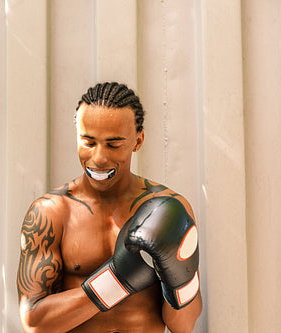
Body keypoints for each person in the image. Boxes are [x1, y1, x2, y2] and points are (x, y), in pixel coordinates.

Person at [17, 82, 202, 333]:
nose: (99, 158)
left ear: (138, 141)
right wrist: (118, 279)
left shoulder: (166, 210)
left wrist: (180, 279)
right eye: (88, 142)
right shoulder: (51, 213)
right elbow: (34, 323)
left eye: (113, 144)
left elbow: (183, 326)